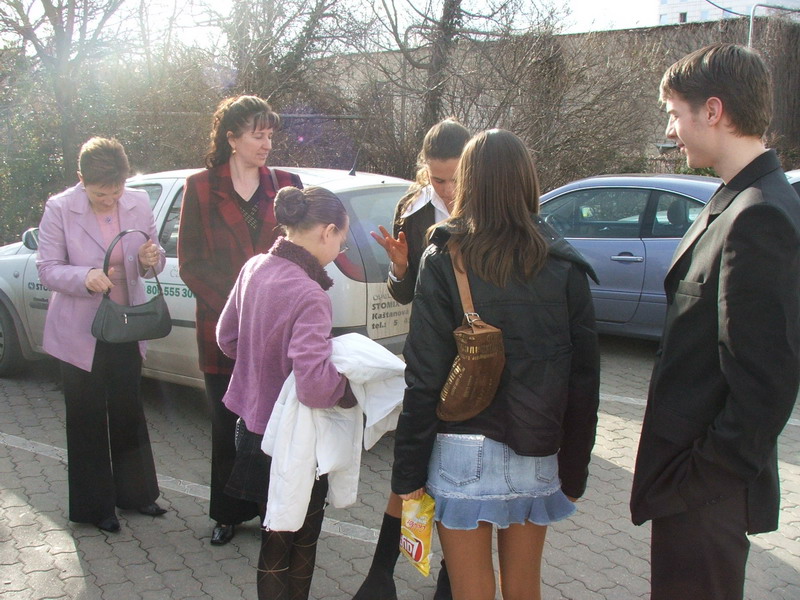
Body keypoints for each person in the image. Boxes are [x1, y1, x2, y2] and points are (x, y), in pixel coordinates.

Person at [391, 129, 600, 600]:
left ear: (469, 181)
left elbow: (423, 375)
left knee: (471, 590)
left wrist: (407, 472)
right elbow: (585, 381)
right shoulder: (564, 264)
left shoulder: (443, 257)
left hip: (460, 450)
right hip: (537, 447)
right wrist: (575, 468)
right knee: (524, 588)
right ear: (527, 181)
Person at [630, 43, 800, 600]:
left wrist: (699, 479)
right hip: (693, 484)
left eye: (674, 113)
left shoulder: (760, 213)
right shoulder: (738, 198)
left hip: (705, 490)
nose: (670, 130)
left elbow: (766, 384)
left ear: (713, 111)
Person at [216, 185, 356, 600]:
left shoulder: (254, 267)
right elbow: (313, 386)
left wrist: (259, 364)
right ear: (327, 231)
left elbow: (226, 338)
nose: (340, 250)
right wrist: (347, 389)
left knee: (272, 536)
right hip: (294, 440)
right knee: (299, 542)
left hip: (249, 430)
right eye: (342, 241)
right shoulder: (310, 294)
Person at [178, 95, 302, 546]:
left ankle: (275, 513)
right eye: (257, 135)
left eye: (270, 135)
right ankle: (227, 515)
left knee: (275, 425)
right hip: (222, 330)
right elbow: (190, 263)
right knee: (226, 424)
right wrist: (238, 310)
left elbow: (303, 249)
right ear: (231, 138)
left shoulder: (287, 184)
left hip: (276, 330)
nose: (267, 144)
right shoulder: (200, 187)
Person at [356, 117, 470, 600]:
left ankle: (452, 579)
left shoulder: (491, 204)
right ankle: (380, 576)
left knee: (462, 472)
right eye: (437, 178)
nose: (446, 189)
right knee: (412, 464)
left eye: (455, 178)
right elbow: (404, 294)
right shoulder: (412, 208)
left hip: (476, 358)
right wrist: (400, 269)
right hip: (427, 355)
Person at [37, 137, 167, 533]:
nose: (110, 199)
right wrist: (84, 277)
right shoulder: (60, 208)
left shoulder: (138, 201)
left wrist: (150, 258)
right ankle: (95, 507)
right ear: (82, 179)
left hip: (127, 324)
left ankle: (137, 495)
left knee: (129, 410)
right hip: (79, 332)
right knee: (86, 416)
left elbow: (155, 256)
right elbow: (47, 268)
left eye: (116, 190)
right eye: (100, 193)